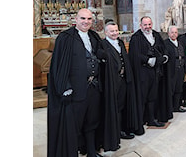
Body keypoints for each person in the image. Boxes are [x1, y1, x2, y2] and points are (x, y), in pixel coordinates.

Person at [47, 8, 104, 157]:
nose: (86, 22)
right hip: (76, 90)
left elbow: (99, 55)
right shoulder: (65, 38)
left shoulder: (94, 36)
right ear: (76, 19)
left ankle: (91, 151)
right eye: (83, 19)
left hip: (94, 88)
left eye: (89, 19)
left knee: (92, 122)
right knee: (74, 125)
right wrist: (65, 87)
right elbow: (59, 65)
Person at [99, 21, 139, 152]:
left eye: (116, 30)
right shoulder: (103, 45)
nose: (115, 33)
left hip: (123, 80)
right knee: (114, 108)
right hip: (112, 83)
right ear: (106, 33)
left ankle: (122, 130)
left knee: (122, 106)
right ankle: (114, 134)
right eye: (112, 31)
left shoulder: (120, 43)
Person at [129, 16, 169, 127]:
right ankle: (140, 121)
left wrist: (165, 56)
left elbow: (163, 47)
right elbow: (135, 55)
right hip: (143, 72)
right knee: (142, 97)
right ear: (141, 25)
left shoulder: (156, 34)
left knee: (153, 96)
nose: (148, 27)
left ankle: (151, 119)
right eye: (145, 25)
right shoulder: (136, 38)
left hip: (155, 71)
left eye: (149, 24)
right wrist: (148, 60)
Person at [163, 25, 186, 113]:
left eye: (175, 32)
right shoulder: (165, 43)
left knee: (179, 88)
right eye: (172, 32)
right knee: (171, 89)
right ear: (168, 33)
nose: (174, 34)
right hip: (170, 70)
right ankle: (170, 108)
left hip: (180, 69)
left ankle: (177, 106)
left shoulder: (180, 43)